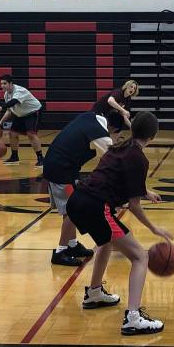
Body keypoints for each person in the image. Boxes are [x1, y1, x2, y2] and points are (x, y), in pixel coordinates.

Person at [65, 112, 171, 335]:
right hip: (95, 206)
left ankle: (94, 293)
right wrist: (154, 228)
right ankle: (133, 318)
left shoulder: (119, 147)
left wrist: (145, 192)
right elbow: (133, 205)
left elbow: (114, 177)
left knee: (106, 242)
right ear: (153, 137)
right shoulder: (139, 158)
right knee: (140, 256)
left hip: (77, 200)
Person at [43, 110, 126, 267]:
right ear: (114, 129)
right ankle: (60, 252)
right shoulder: (101, 134)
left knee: (71, 209)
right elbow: (114, 161)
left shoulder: (90, 116)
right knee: (71, 211)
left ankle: (72, 245)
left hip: (59, 166)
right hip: (61, 170)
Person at [0, 75, 44, 167]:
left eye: (4, 83)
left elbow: (14, 101)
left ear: (11, 83)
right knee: (12, 133)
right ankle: (14, 157)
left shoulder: (19, 91)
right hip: (20, 114)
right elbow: (10, 110)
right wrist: (0, 123)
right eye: (1, 84)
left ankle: (41, 158)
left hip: (33, 112)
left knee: (31, 134)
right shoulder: (6, 94)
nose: (2, 86)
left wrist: (1, 107)